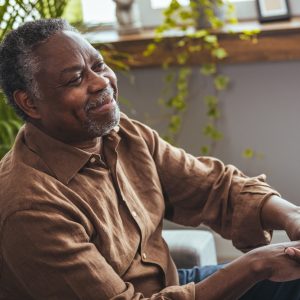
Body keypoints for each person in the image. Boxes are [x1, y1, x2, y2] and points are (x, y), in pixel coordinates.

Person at [0, 18, 300, 300]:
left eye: (99, 65)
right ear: (30, 102)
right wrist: (254, 265)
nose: (100, 83)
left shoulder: (120, 133)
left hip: (173, 286)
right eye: (76, 79)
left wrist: (292, 216)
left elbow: (212, 187)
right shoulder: (28, 207)